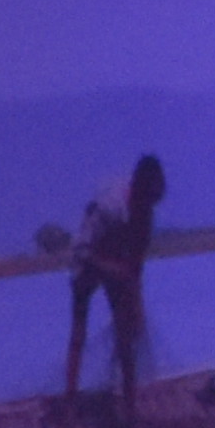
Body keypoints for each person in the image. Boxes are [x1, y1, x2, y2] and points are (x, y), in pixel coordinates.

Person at [63, 150, 165, 400]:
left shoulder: (145, 211)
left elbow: (136, 264)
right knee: (79, 331)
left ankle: (129, 402)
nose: (149, 203)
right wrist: (111, 268)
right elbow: (82, 250)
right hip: (86, 260)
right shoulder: (110, 205)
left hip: (117, 260)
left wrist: (135, 301)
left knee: (127, 334)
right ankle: (71, 398)